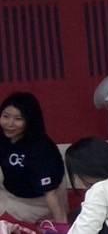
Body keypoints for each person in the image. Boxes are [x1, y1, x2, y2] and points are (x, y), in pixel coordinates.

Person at [0, 91, 67, 224]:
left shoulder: (41, 148)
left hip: (37, 203)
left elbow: (51, 194)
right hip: (9, 192)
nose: (9, 124)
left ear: (29, 121)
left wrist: (62, 228)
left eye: (18, 119)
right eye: (5, 116)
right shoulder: (3, 137)